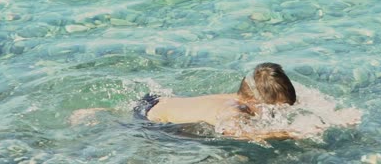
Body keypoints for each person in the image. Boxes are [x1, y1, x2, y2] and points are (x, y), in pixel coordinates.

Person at [70, 62, 361, 143]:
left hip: (161, 100)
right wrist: (291, 132)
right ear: (253, 101)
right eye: (275, 109)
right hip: (150, 118)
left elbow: (308, 102)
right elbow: (235, 133)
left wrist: (334, 117)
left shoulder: (244, 97)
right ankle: (101, 114)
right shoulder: (230, 109)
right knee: (130, 130)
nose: (279, 113)